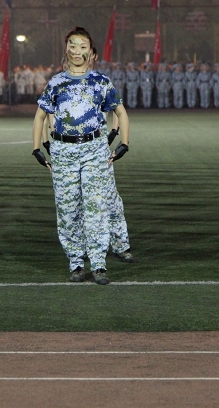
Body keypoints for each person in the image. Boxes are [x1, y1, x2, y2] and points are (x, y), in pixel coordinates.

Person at [33, 27, 129, 285]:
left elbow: (121, 113)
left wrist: (124, 144)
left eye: (83, 46)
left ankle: (98, 264)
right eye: (73, 46)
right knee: (67, 209)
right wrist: (37, 148)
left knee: (96, 206)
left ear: (91, 50)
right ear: (66, 49)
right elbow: (41, 116)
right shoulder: (55, 82)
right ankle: (76, 262)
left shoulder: (101, 81)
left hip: (94, 149)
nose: (77, 51)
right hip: (63, 150)